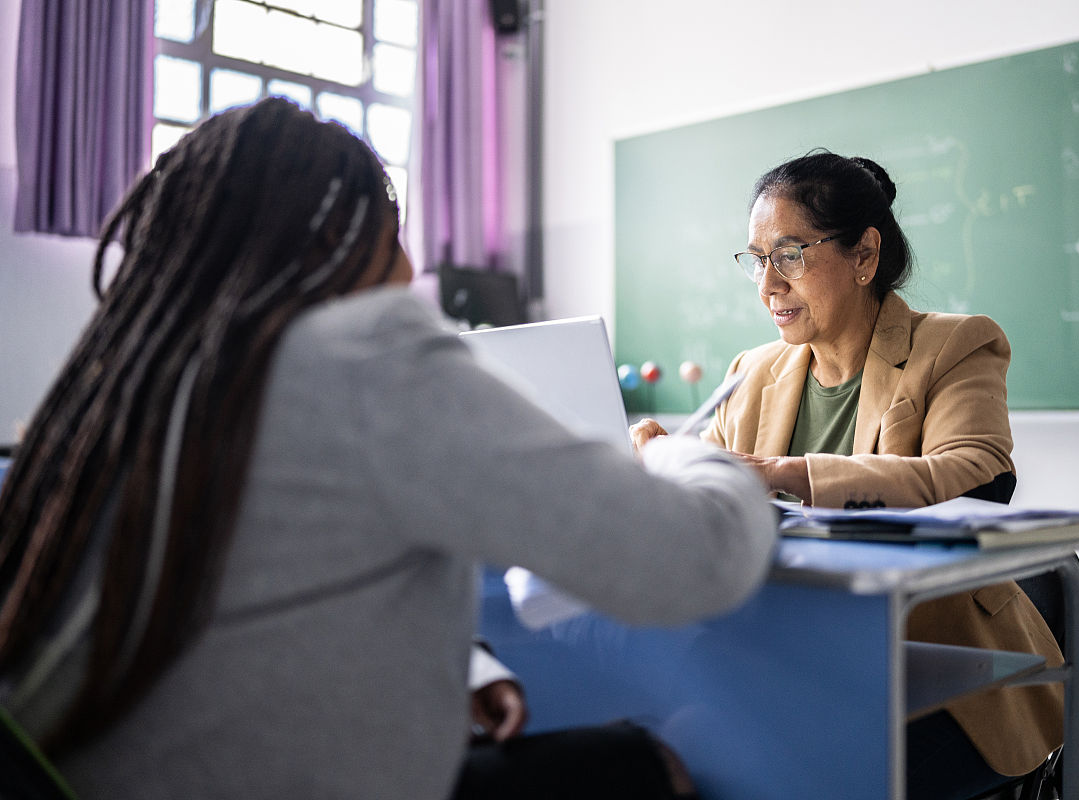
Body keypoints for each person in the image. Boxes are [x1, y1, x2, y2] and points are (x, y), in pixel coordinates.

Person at [0, 98, 778, 799]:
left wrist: (459, 666)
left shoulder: (124, 376)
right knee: (650, 765)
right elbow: (697, 557)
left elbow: (233, 586)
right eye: (390, 232)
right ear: (339, 241)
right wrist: (680, 451)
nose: (408, 272)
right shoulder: (365, 356)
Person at [631, 150, 1063, 799]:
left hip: (946, 679)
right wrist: (663, 460)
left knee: (790, 768)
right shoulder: (753, 370)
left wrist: (789, 473)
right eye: (756, 258)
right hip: (790, 662)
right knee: (663, 746)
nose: (767, 285)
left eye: (791, 254)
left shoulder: (955, 344)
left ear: (864, 256)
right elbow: (715, 491)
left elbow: (975, 474)